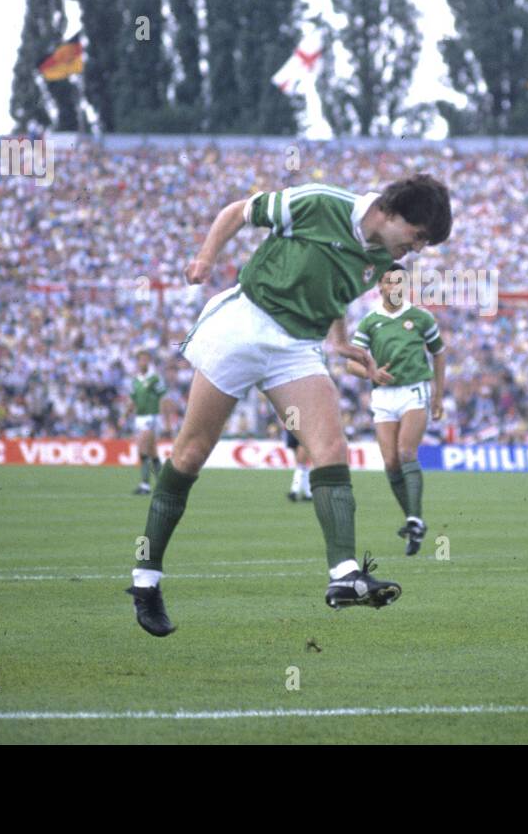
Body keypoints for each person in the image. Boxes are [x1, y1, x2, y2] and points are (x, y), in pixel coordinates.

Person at [126, 176, 452, 636]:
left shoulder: (383, 255)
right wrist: (205, 257)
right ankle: (146, 580)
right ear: (392, 212)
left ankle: (343, 576)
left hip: (297, 346)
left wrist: (339, 341)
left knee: (331, 449)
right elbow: (238, 211)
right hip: (244, 325)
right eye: (418, 236)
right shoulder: (320, 203)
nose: (415, 249)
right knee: (189, 455)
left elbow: (336, 290)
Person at [346, 264, 445, 555]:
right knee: (390, 462)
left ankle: (414, 518)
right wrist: (371, 374)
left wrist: (438, 394)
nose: (395, 286)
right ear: (381, 286)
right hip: (383, 396)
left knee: (405, 453)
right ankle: (413, 521)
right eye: (390, 281)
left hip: (414, 391)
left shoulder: (421, 317)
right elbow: (351, 363)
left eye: (400, 281)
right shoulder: (370, 321)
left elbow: (438, 353)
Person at [127, 350, 167, 495]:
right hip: (139, 418)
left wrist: (165, 419)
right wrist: (125, 415)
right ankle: (164, 486)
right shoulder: (135, 380)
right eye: (141, 360)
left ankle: (145, 485)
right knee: (152, 453)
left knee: (143, 449)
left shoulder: (155, 378)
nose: (143, 362)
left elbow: (163, 397)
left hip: (152, 417)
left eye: (146, 359)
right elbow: (133, 400)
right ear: (137, 362)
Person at [285, 429, 313, 502]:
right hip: (291, 428)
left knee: (301, 463)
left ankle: (294, 491)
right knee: (301, 465)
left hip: (303, 429)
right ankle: (309, 494)